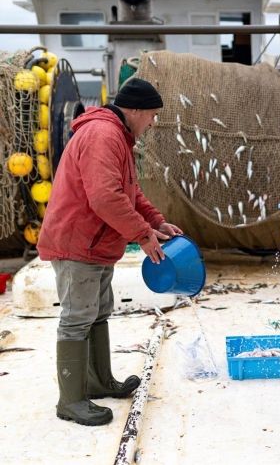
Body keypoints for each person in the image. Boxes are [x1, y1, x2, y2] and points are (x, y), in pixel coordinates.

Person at [37, 78, 183, 426]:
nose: (153, 123)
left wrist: (155, 222)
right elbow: (105, 197)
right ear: (134, 110)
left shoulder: (118, 136)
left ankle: (98, 381)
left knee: (97, 312)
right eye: (152, 115)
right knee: (77, 319)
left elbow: (129, 191)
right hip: (78, 243)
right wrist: (142, 235)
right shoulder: (104, 135)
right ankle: (71, 401)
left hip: (96, 243)